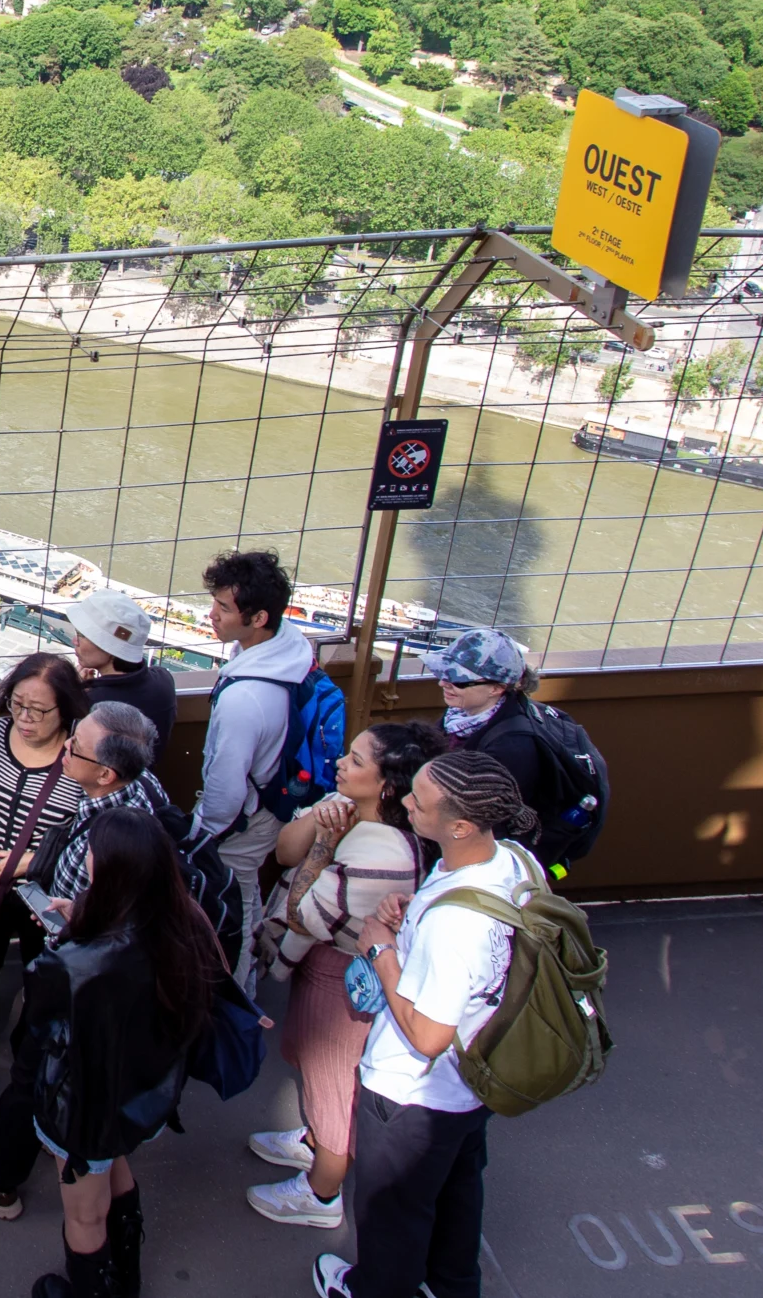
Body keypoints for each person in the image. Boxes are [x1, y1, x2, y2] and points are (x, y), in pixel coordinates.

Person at [0, 702, 182, 1223]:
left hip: (84, 990)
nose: (65, 750)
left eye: (76, 748)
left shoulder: (109, 835)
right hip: (118, 990)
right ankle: (114, 1212)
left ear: (105, 772)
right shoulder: (144, 799)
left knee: (35, 1073)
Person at [312, 751, 543, 1298]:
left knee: (391, 1214)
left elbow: (428, 1036)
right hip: (473, 1076)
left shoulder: (455, 925)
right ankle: (452, 1286)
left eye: (419, 799)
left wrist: (383, 950)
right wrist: (413, 909)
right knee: (457, 1194)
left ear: (459, 825)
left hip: (411, 1094)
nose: (407, 802)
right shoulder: (507, 860)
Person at [243, 721, 444, 1231]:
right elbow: (284, 850)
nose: (340, 765)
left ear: (387, 786)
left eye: (355, 761)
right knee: (314, 1065)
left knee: (333, 1082)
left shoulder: (384, 854)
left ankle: (321, 1191)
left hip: (344, 978)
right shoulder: (356, 815)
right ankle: (312, 1142)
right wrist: (320, 825)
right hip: (330, 964)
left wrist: (322, 845)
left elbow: (301, 911)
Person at [19, 807, 225, 1298]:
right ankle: (125, 1277)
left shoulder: (75, 963)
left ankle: (91, 1288)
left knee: (84, 1215)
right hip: (144, 1096)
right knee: (116, 1171)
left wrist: (66, 937)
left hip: (85, 1108)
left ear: (107, 868)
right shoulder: (181, 921)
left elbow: (45, 1021)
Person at [0, 652, 92, 1082]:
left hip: (45, 891)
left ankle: (31, 1056)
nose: (24, 718)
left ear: (66, 709)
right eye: (17, 704)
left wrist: (34, 861)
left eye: (39, 710)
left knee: (42, 974)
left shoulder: (79, 757)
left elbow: (89, 829)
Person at [196, 549, 318, 993]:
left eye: (224, 609)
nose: (212, 615)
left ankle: (235, 995)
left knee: (232, 900)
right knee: (245, 892)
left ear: (259, 617)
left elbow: (226, 787)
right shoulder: (289, 651)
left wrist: (203, 835)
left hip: (238, 822)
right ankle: (243, 980)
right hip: (271, 802)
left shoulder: (244, 700)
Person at [424, 627, 573, 871]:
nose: (443, 682)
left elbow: (486, 822)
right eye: (443, 672)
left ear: (497, 687)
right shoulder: (463, 714)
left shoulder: (511, 748)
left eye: (457, 679)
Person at [63, 588, 178, 743]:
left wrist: (77, 692)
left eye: (82, 635)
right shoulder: (164, 680)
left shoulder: (91, 704)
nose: (75, 641)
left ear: (109, 647)